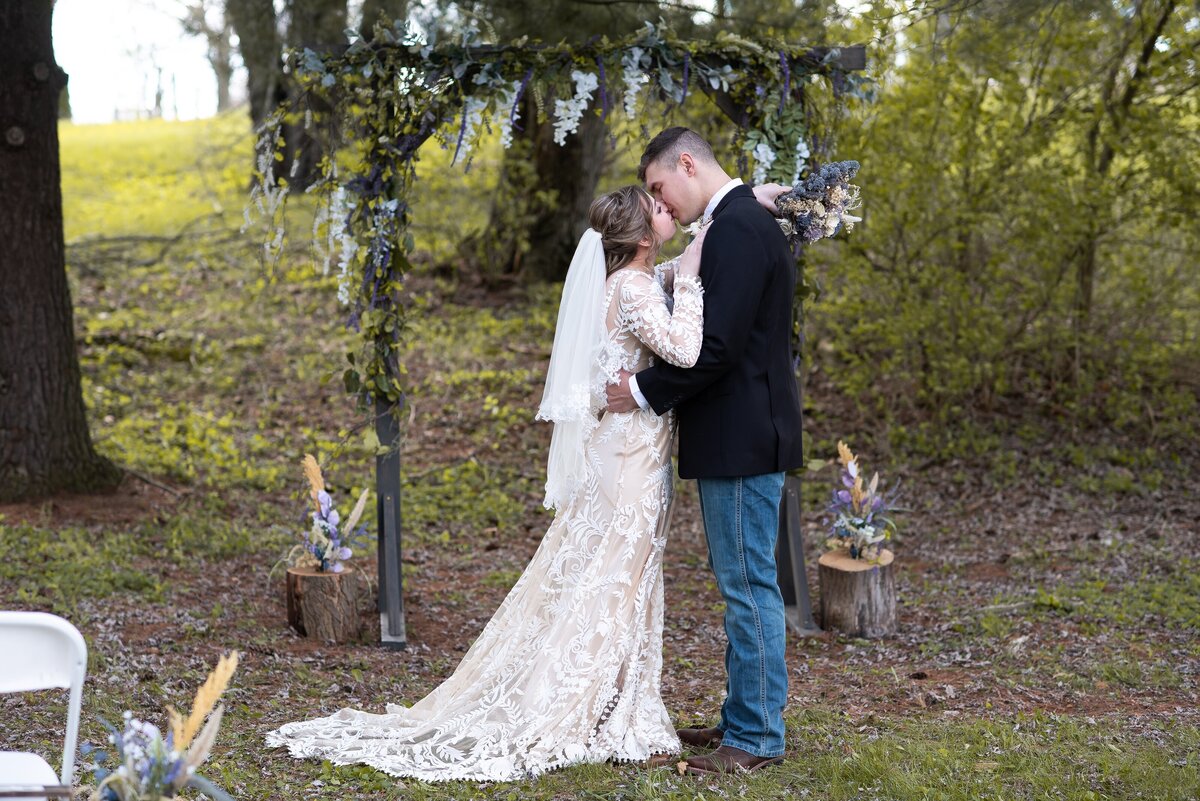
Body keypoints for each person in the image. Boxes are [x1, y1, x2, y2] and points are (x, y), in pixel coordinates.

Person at [266, 185, 708, 781]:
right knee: (615, 578)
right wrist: (696, 279)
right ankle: (583, 706)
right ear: (642, 235)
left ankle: (616, 702)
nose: (669, 209)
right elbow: (683, 348)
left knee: (612, 575)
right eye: (659, 208)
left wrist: (688, 260)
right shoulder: (631, 287)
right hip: (630, 458)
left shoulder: (622, 284)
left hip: (624, 450)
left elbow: (660, 301)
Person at [606, 126, 804, 776]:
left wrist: (637, 390)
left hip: (741, 437)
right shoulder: (740, 220)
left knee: (748, 587)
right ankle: (741, 716)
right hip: (737, 434)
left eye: (660, 186)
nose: (660, 202)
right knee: (742, 584)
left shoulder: (739, 229)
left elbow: (713, 350)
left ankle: (754, 737)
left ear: (687, 164)